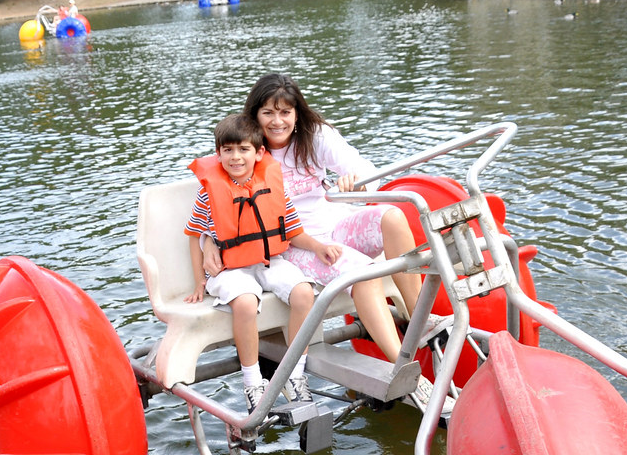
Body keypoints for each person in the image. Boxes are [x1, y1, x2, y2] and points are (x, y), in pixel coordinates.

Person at [218, 74, 441, 382]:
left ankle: (420, 318)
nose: (277, 121)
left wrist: (356, 181)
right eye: (268, 112)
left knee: (391, 216)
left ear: (297, 113)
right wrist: (206, 246)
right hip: (297, 244)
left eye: (285, 112)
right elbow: (218, 199)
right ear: (255, 114)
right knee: (361, 271)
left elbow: (362, 168)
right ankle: (404, 367)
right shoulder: (248, 150)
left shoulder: (315, 136)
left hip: (334, 224)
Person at [185, 113, 324, 413]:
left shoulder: (273, 185)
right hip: (229, 269)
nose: (236, 157)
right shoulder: (208, 193)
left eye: (243, 149)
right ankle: (253, 383)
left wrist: (319, 247)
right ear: (218, 153)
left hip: (268, 260)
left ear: (259, 153)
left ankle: (294, 375)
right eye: (228, 150)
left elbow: (293, 230)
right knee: (246, 302)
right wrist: (199, 281)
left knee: (304, 293)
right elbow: (194, 235)